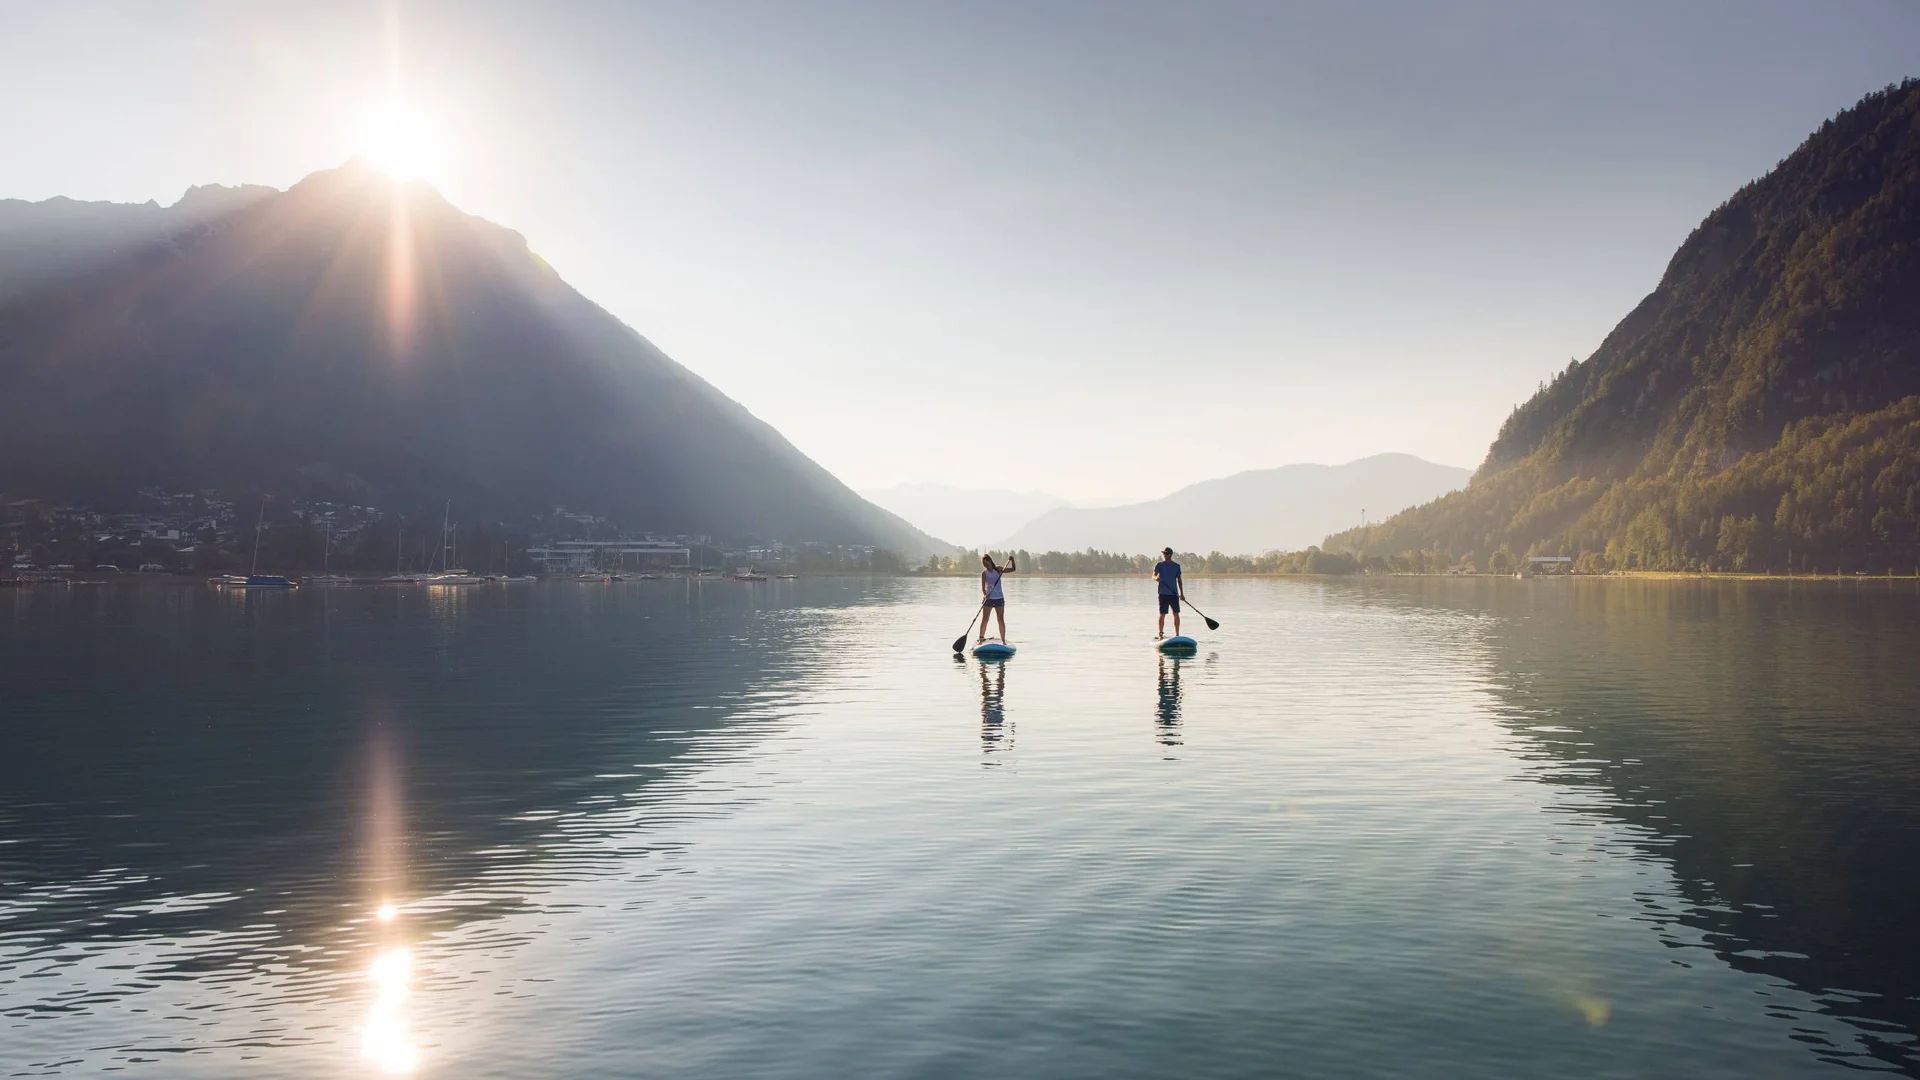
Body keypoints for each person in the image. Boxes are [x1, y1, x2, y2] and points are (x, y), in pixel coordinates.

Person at [978, 553, 1016, 644]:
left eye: (986, 562)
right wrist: (985, 595)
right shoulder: (984, 574)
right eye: (984, 564)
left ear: (990, 561)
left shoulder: (998, 570)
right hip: (989, 599)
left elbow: (1013, 569)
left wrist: (1012, 560)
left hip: (999, 598)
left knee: (1000, 619)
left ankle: (1003, 641)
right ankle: (981, 640)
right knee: (985, 619)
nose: (985, 565)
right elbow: (983, 588)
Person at [1154, 546, 1184, 639]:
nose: (1164, 555)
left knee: (1176, 613)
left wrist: (1182, 594)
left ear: (1170, 555)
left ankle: (1177, 634)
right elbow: (1153, 575)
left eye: (1166, 553)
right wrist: (1156, 578)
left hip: (1174, 594)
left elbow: (1179, 580)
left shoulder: (1176, 566)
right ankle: (1160, 634)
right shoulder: (1159, 565)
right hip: (1163, 594)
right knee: (1162, 613)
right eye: (1163, 553)